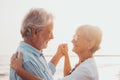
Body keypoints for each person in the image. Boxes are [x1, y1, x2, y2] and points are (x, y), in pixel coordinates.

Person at [10, 24, 102, 80]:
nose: (72, 40)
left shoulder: (86, 70)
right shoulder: (84, 63)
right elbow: (68, 75)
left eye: (77, 37)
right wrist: (64, 55)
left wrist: (20, 71)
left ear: (90, 44)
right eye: (74, 36)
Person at [9, 8, 66, 80]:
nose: (52, 37)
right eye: (49, 32)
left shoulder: (33, 54)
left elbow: (46, 75)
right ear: (35, 32)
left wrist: (58, 55)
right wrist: (20, 71)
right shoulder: (27, 61)